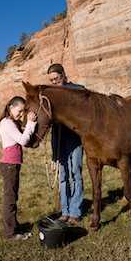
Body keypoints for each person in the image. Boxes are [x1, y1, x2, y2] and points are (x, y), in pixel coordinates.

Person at [47, 63, 85, 226]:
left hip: (74, 138)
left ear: (64, 74)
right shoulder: (51, 95)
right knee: (63, 175)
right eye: (52, 80)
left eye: (57, 78)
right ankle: (65, 211)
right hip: (58, 138)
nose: (55, 82)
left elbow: (90, 103)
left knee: (76, 172)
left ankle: (75, 211)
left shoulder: (77, 89)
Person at [0, 96, 37, 240]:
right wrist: (30, 124)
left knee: (12, 196)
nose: (21, 114)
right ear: (10, 107)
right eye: (19, 111)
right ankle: (10, 233)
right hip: (10, 165)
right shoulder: (8, 124)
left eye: (23, 112)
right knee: (10, 199)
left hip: (9, 164)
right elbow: (23, 141)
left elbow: (1, 139)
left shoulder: (5, 122)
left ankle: (14, 226)